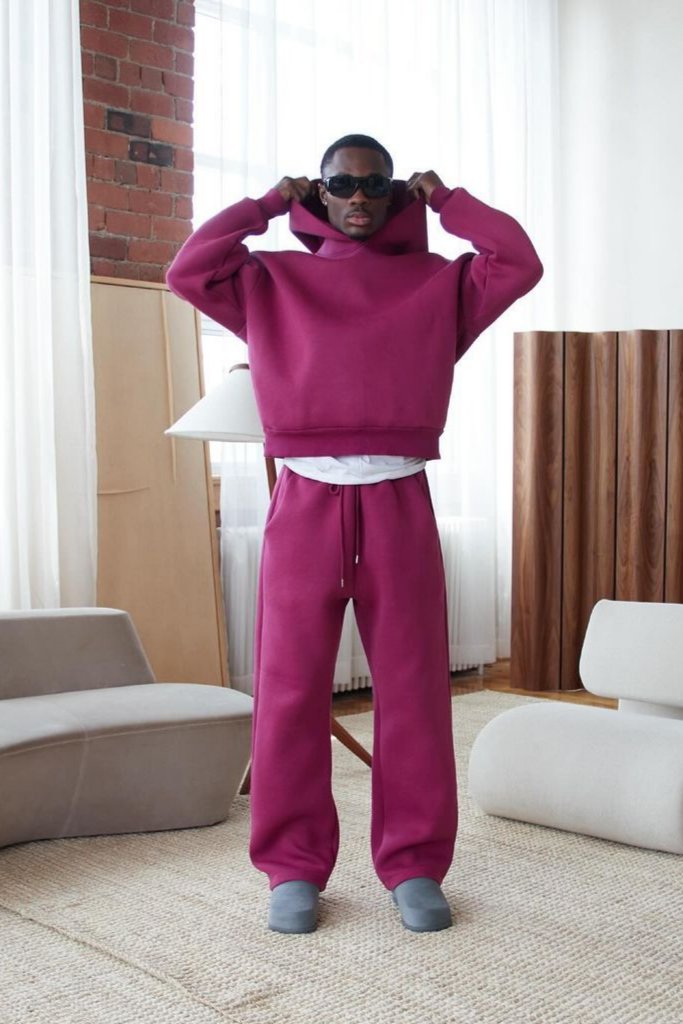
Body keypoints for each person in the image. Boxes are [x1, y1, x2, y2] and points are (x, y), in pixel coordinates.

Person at [166, 133, 543, 935]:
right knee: (288, 694)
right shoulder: (270, 278)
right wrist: (266, 204)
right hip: (304, 502)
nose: (359, 198)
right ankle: (292, 868)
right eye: (341, 185)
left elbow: (518, 261)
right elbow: (188, 271)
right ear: (319, 192)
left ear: (397, 192)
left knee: (412, 693)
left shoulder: (441, 282)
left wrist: (449, 201)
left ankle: (413, 864)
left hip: (398, 499)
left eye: (376, 185)